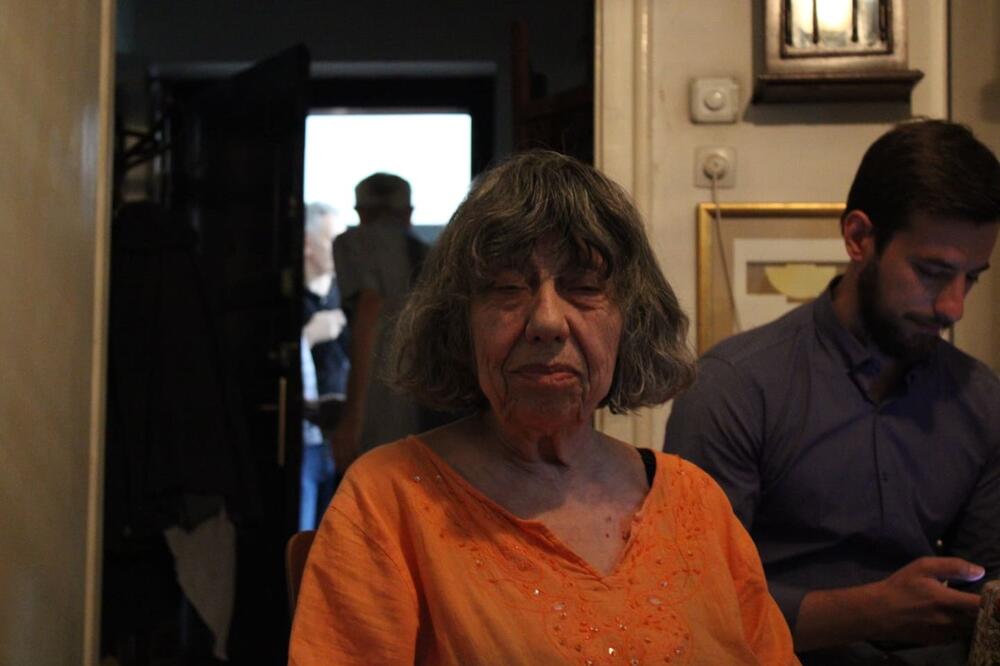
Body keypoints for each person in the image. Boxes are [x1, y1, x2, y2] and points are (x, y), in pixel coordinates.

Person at [289, 151, 798, 664]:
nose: (548, 321)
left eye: (585, 288)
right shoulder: (386, 499)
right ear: (460, 324)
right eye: (508, 289)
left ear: (631, 320)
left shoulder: (697, 501)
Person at [664, 119, 1000, 665]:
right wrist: (866, 613)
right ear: (859, 238)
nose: (954, 307)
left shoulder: (981, 400)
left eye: (973, 278)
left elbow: (989, 594)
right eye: (932, 272)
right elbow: (692, 598)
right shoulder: (735, 387)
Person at [329, 173, 428, 471]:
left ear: (361, 211)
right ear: (408, 213)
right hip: (425, 396)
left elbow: (368, 312)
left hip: (381, 395)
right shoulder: (430, 253)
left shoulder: (353, 244)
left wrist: (352, 417)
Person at [299, 202, 349, 530]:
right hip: (303, 441)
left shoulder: (346, 297)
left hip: (339, 435)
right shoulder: (292, 301)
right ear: (307, 243)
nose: (342, 250)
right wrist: (307, 336)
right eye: (333, 241)